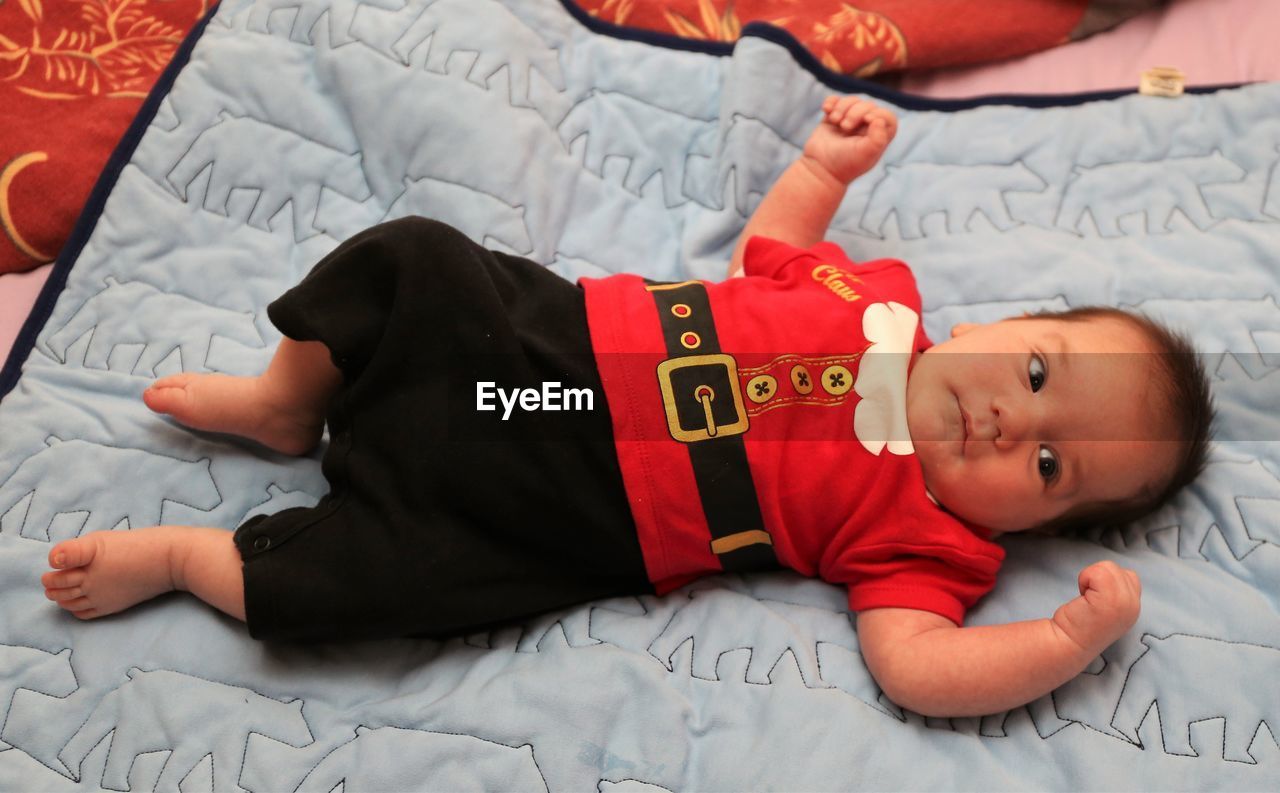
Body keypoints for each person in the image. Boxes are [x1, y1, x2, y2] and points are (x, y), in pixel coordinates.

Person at [38, 97, 1212, 718]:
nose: (1014, 424)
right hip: (552, 345)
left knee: (373, 589)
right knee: (414, 257)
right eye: (1041, 375)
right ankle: (285, 401)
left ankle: (198, 559)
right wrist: (824, 167)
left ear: (1024, 529)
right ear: (1005, 328)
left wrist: (1061, 644)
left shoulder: (930, 540)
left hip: (571, 505)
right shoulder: (883, 300)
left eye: (1052, 467)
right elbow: (774, 249)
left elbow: (915, 669)